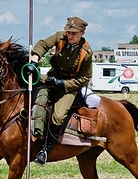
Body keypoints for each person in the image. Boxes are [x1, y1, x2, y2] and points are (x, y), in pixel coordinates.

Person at [24, 16, 93, 166]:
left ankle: (46, 150)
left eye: (74, 33)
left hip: (69, 87)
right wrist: (34, 60)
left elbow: (85, 78)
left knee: (58, 115)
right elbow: (43, 44)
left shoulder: (86, 53)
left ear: (82, 33)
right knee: (37, 100)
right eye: (68, 32)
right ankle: (33, 136)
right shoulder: (59, 37)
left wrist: (63, 84)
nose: (70, 35)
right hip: (50, 79)